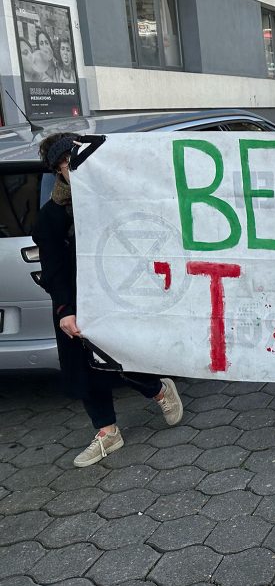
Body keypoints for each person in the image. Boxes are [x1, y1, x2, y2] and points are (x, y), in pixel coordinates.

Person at [33, 133, 184, 467]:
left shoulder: (116, 199)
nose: (71, 169)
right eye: (64, 165)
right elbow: (53, 269)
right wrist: (65, 310)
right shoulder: (53, 217)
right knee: (83, 368)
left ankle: (158, 390)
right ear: (58, 171)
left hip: (119, 296)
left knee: (122, 356)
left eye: (75, 160)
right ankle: (107, 431)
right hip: (76, 303)